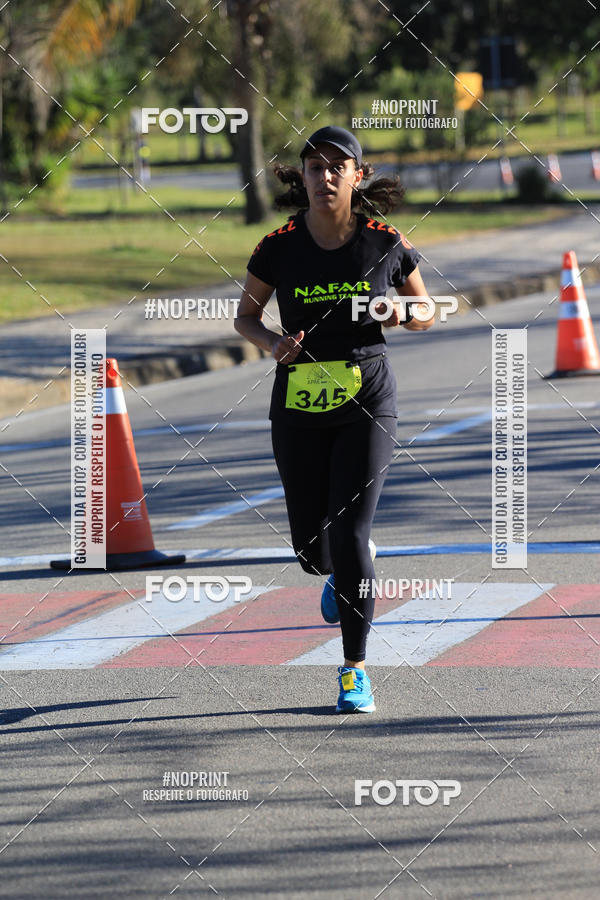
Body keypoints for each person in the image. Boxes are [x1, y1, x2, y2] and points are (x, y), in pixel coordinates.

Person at [234, 125, 433, 713]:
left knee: (350, 536)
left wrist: (401, 313)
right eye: (315, 167)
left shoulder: (383, 242)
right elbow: (244, 316)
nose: (325, 176)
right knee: (312, 548)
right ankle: (338, 573)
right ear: (305, 176)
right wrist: (271, 342)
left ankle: (354, 669)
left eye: (337, 167)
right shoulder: (279, 244)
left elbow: (427, 309)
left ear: (357, 175)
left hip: (367, 400)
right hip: (298, 405)